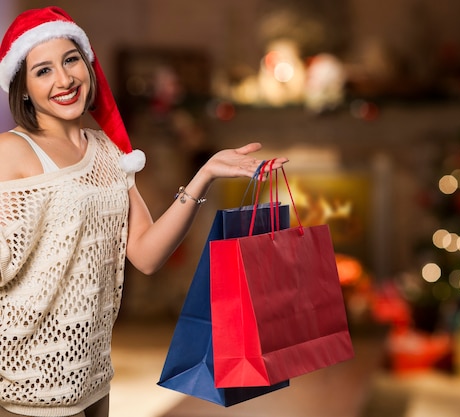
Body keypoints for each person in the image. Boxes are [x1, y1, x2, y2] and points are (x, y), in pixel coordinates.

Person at [0, 7, 287, 417]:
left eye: (70, 60)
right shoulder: (11, 152)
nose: (64, 80)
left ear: (87, 64)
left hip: (93, 379)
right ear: (23, 87)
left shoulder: (108, 151)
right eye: (43, 71)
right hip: (28, 389)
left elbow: (147, 255)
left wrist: (203, 175)